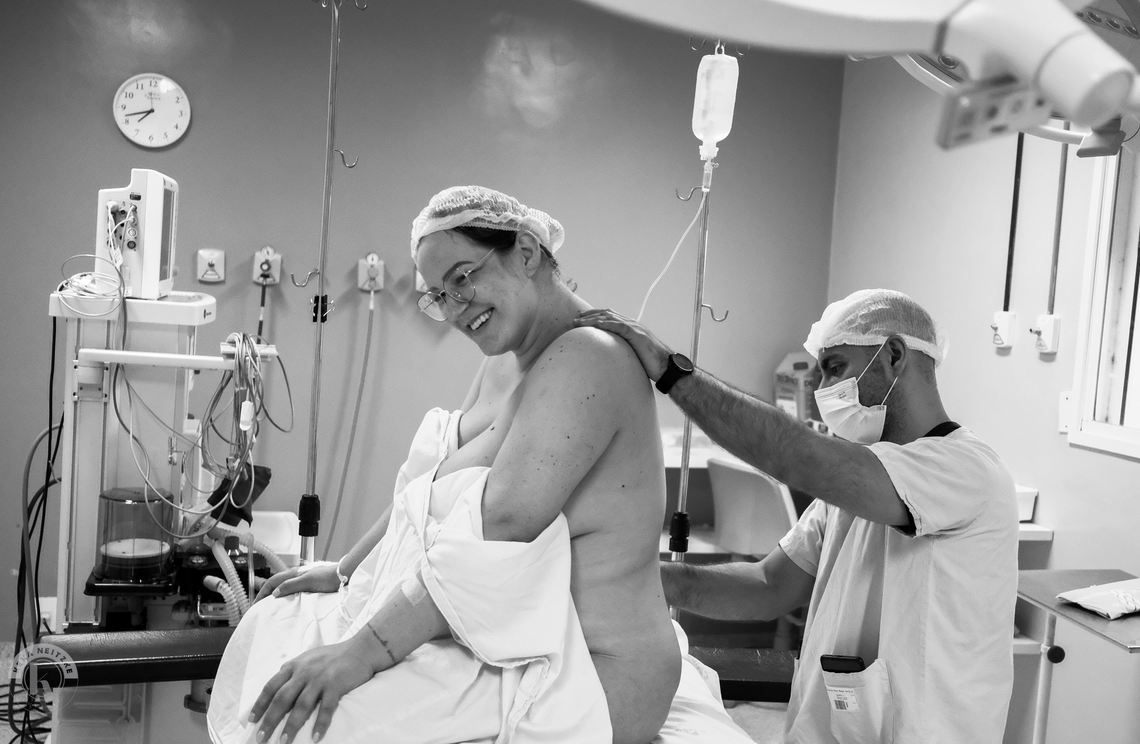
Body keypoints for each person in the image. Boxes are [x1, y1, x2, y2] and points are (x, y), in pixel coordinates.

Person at [207, 186, 755, 744]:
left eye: (462, 278)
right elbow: (430, 487)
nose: (453, 309)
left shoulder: (590, 358)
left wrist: (361, 653)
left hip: (590, 673)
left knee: (315, 725)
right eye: (438, 296)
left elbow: (499, 529)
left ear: (527, 252)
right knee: (281, 636)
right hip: (500, 638)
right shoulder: (506, 361)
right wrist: (345, 571)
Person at [575, 289, 1020, 744]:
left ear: (893, 356)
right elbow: (769, 585)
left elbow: (797, 458)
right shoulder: (855, 488)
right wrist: (644, 578)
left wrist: (672, 373)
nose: (823, 390)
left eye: (835, 368)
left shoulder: (964, 470)